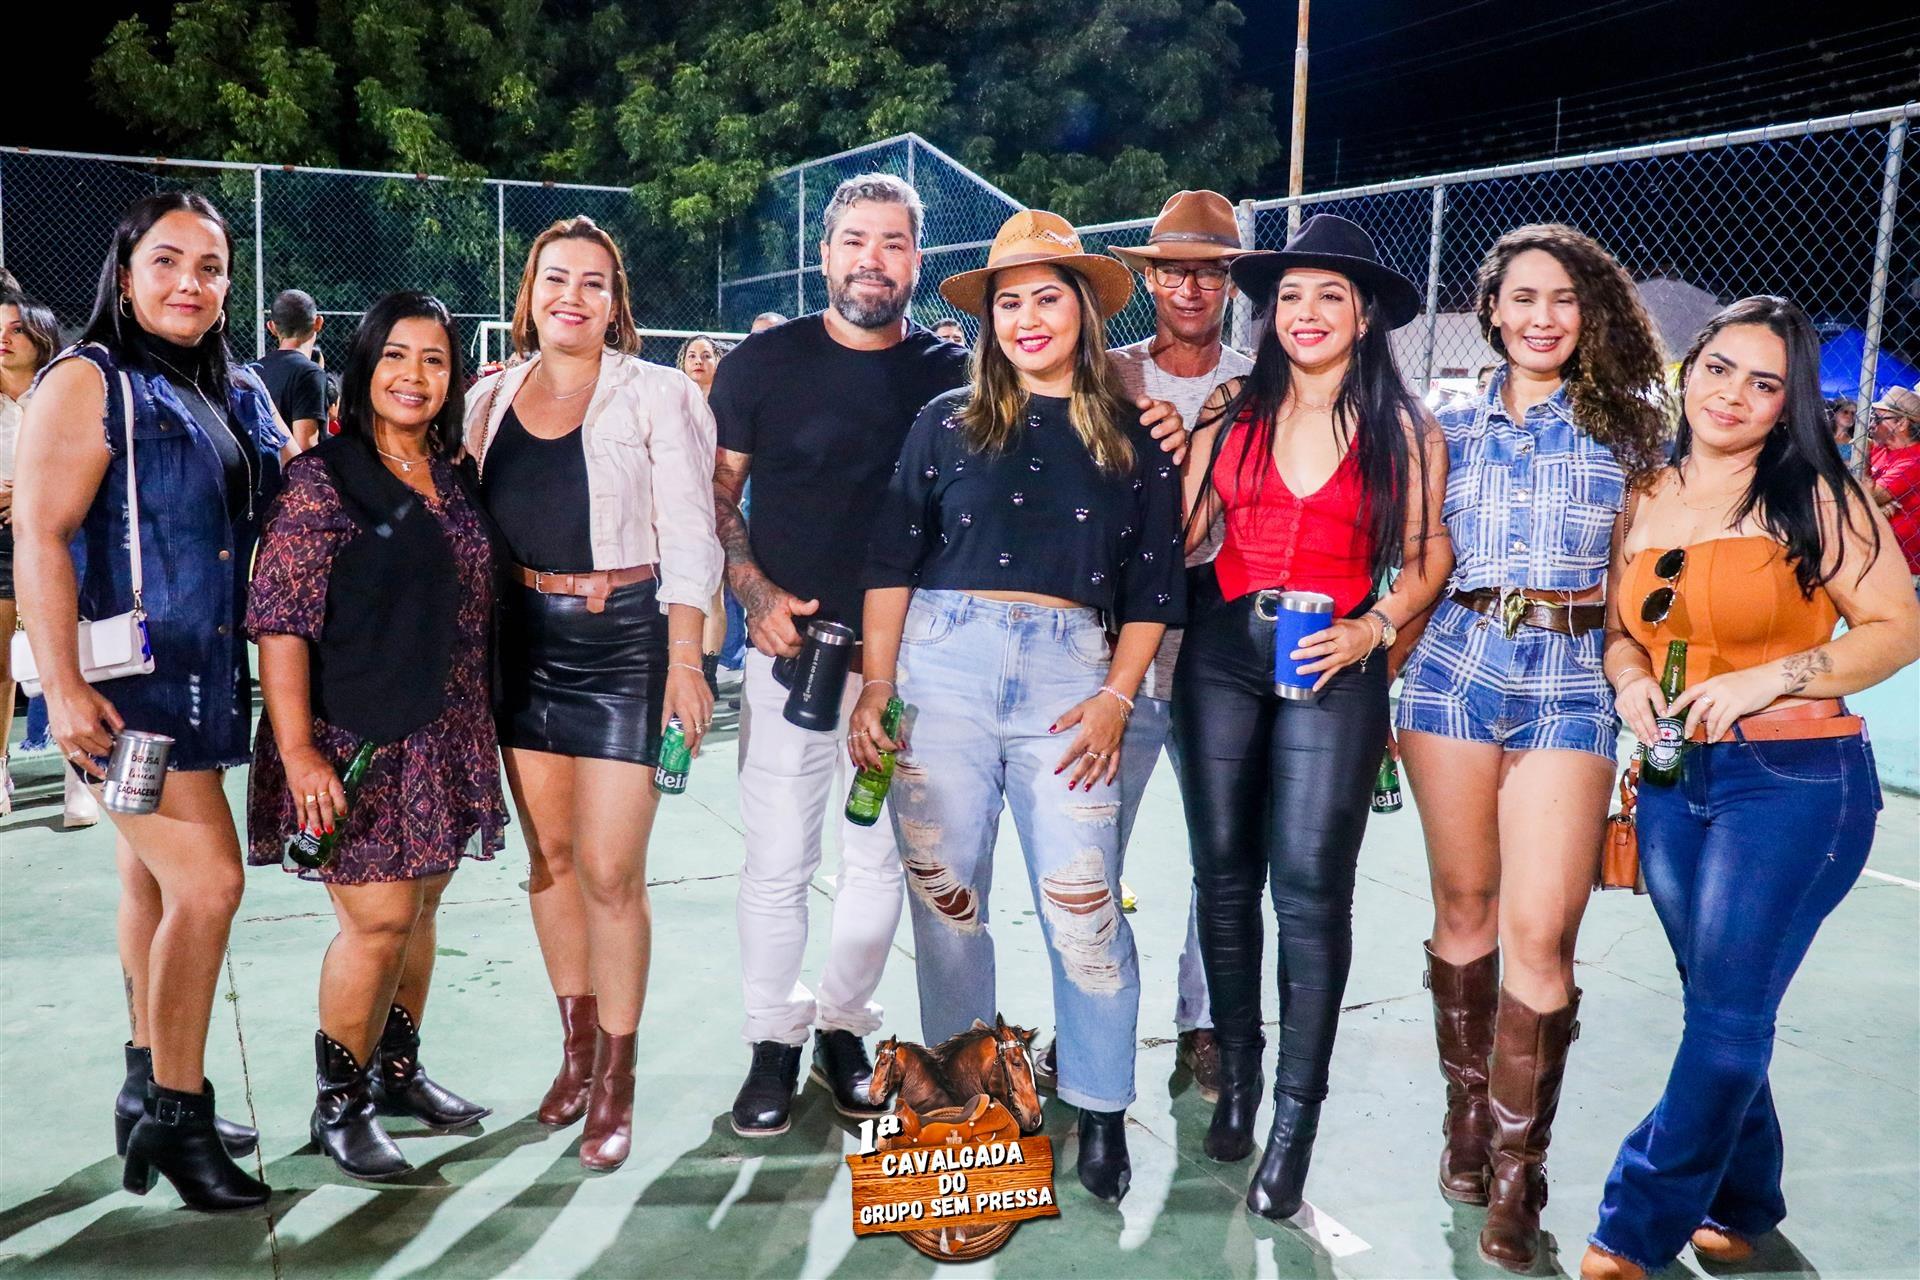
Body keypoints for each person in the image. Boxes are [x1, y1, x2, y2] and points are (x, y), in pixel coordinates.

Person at [1580, 297, 1920, 1280]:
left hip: (1795, 784)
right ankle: (1744, 1197)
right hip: (1673, 782)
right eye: (1720, 368)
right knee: (1722, 1004)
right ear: (1690, 369)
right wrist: (1630, 681)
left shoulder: (1818, 493)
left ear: (1788, 402)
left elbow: (1897, 628)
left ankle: (1630, 1225)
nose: (1733, 395)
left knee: (1726, 1024)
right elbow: (1620, 630)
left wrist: (1769, 678)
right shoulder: (1645, 491)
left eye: (1764, 383)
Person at [853, 208, 1186, 1204]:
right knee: (947, 903)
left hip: (1073, 681)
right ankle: (964, 1101)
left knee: (1085, 907)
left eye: (1048, 298)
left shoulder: (1136, 437)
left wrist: (1116, 697)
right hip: (938, 673)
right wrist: (878, 684)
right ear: (988, 319)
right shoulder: (943, 422)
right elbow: (890, 559)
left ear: (1083, 311)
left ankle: (1099, 1101)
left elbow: (1155, 589)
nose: (1029, 319)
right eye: (1009, 303)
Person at [1393, 223, 1669, 1271]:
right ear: (1493, 312)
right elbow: (1421, 563)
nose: (1543, 316)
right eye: (1523, 297)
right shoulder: (1445, 427)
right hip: (1453, 670)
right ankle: (1467, 1122)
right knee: (1463, 905)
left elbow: (1642, 583)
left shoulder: (1635, 432)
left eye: (1563, 298)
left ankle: (1518, 1174)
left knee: (1541, 932)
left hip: (1570, 680)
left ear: (1589, 313)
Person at [15, 191, 290, 1211]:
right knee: (209, 885)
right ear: (125, 275)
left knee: (152, 883)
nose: (190, 282)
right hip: (127, 695)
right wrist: (63, 685)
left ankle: (144, 1080)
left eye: (210, 267)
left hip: (205, 678)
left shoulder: (227, 386)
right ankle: (178, 1111)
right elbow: (40, 535)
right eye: (167, 261)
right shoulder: (89, 379)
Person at [1170, 214, 1448, 1220]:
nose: (1307, 311)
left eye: (1330, 295)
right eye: (1291, 295)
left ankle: (1295, 1122)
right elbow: (1189, 534)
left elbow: (1428, 557)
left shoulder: (1405, 428)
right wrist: (1174, 463)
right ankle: (1239, 1083)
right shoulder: (1232, 407)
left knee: (1310, 892)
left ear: (1364, 315)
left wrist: (1373, 627)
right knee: (1223, 878)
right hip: (1220, 652)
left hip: (1334, 657)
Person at [467, 215, 721, 1172]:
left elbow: (691, 533)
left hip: (625, 642)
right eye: (555, 279)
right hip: (521, 640)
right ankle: (575, 1054)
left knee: (612, 872)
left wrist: (686, 661)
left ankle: (617, 1076)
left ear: (617, 305)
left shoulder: (659, 394)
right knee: (551, 859)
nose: (571, 297)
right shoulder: (487, 398)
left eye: (593, 282)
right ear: (529, 295)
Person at [246, 292, 505, 1180]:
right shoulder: (324, 478)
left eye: (434, 359)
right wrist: (298, 753)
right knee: (379, 918)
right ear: (363, 367)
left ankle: (397, 1072)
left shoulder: (456, 473)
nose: (414, 375)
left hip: (447, 724)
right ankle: (339, 1103)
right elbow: (281, 622)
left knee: (420, 908)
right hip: (353, 735)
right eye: (396, 355)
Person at [1099, 188, 1255, 1101]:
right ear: (1148, 280)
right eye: (1172, 272)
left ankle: (1206, 1019)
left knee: (1224, 852)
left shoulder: (1264, 379)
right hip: (1115, 646)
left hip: (1222, 643)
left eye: (1209, 272)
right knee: (1091, 848)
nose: (1190, 288)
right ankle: (1096, 1013)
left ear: (1230, 280)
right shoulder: (1106, 374)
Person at [1, 295, 59, 815]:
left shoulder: (62, 393)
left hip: (59, 536)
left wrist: (28, 494)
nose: (4, 338)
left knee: (63, 655)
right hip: (1, 542)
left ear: (40, 337)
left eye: (16, 329)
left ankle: (81, 773)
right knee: (1, 661)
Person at [678, 334, 734, 690]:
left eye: (707, 355)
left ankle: (709, 671)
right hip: (678, 505)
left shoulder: (726, 408)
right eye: (692, 355)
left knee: (713, 590)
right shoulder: (673, 404)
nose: (699, 360)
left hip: (715, 503)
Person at [253, 289, 329, 451]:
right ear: (318, 323)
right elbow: (306, 446)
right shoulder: (309, 373)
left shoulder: (253, 372)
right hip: (291, 467)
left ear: (271, 327)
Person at [1866, 386, 1920, 589]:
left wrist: (1861, 455)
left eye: (1879, 418)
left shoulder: (1914, 459)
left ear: (1901, 423)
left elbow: (1868, 497)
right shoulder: (1881, 449)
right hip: (1875, 558)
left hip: (1904, 571)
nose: (1871, 424)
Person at [1828, 397, 1856, 463]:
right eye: (1845, 412)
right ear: (1834, 414)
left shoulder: (1856, 441)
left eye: (1853, 413)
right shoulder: (1823, 436)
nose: (1849, 416)